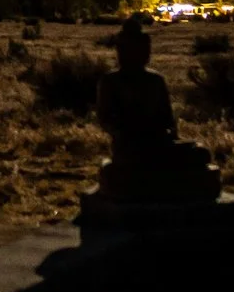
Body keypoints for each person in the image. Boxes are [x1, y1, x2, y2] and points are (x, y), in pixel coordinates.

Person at [92, 13, 220, 202]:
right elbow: (105, 118)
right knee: (127, 166)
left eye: (145, 50)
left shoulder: (155, 80)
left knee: (199, 152)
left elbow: (167, 119)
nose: (144, 54)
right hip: (131, 147)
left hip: (158, 144)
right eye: (135, 49)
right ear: (122, 51)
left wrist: (168, 134)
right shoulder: (111, 81)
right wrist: (126, 132)